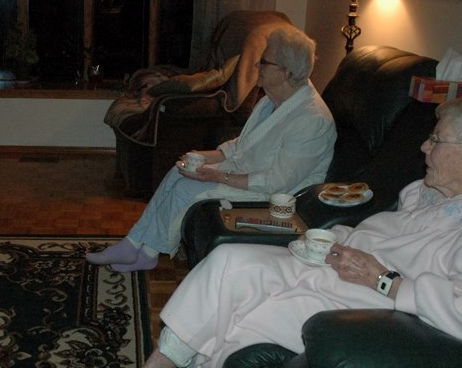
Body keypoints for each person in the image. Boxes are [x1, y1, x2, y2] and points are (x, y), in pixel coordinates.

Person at [60, 92, 462, 368]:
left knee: (242, 319)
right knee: (227, 261)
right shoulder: (432, 190)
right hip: (336, 269)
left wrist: (383, 280)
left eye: (438, 139)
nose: (424, 146)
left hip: (374, 305)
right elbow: (386, 235)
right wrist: (339, 238)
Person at [86, 26, 336, 272]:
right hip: (249, 171)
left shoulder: (311, 120)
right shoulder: (271, 100)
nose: (257, 66)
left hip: (275, 193)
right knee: (179, 171)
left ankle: (149, 252)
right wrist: (208, 156)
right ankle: (132, 243)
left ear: (284, 71)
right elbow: (243, 144)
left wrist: (216, 175)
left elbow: (277, 182)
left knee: (187, 187)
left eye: (264, 62)